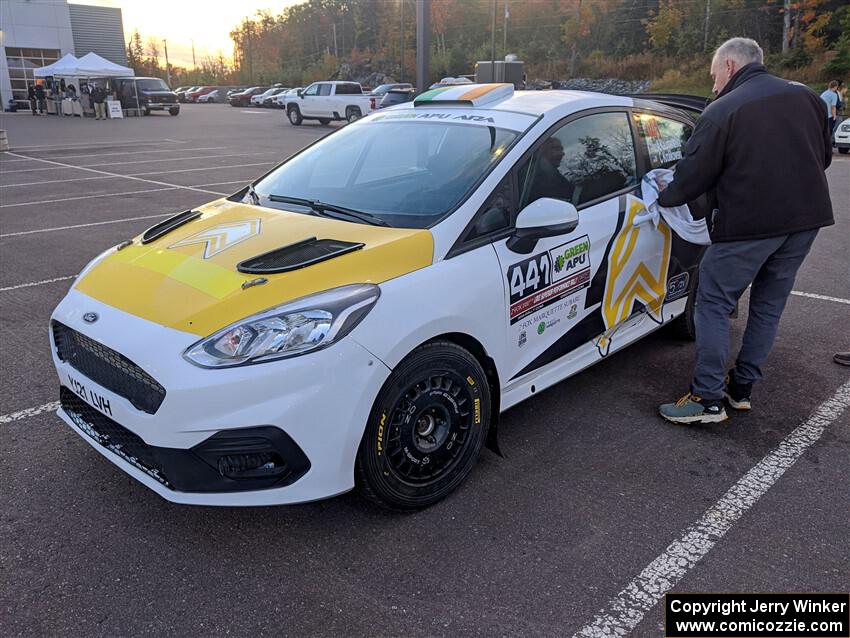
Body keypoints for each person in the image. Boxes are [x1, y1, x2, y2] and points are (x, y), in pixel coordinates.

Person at [656, 37, 834, 424]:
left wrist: (663, 194)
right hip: (806, 221)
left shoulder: (723, 110)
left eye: (714, 75)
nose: (713, 84)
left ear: (731, 67)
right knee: (769, 304)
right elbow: (823, 157)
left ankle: (706, 399)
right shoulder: (806, 98)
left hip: (751, 224)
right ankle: (741, 390)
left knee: (714, 301)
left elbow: (692, 177)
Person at [529, 137, 575, 202]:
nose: (562, 153)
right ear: (543, 151)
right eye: (556, 149)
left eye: (561, 149)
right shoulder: (538, 178)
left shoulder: (554, 174)